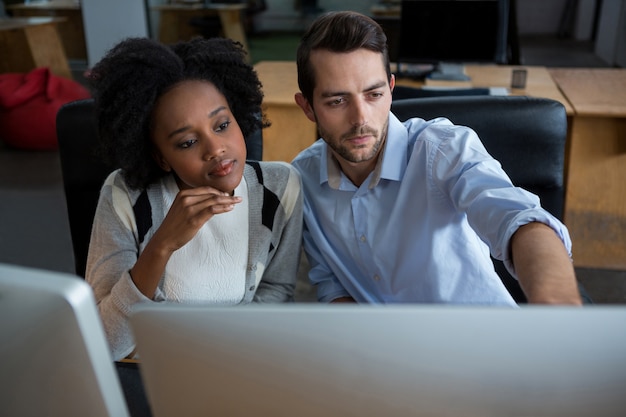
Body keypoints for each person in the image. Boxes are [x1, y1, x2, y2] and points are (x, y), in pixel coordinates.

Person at [291, 11, 582, 305]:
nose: (360, 118)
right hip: (380, 347)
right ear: (307, 107)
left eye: (374, 95)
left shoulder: (443, 149)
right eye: (337, 101)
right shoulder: (301, 179)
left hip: (481, 340)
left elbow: (519, 220)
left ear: (391, 90)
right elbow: (333, 285)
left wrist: (558, 316)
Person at [86, 37, 303, 360]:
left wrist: (222, 353)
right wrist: (161, 245)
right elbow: (106, 346)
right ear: (161, 158)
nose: (215, 149)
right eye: (187, 142)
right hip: (153, 371)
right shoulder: (124, 195)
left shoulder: (280, 186)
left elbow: (277, 291)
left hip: (240, 360)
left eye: (222, 125)